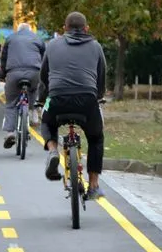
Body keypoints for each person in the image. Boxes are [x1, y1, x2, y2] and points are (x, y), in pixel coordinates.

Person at [37, 11, 107, 200]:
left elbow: (44, 76)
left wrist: (43, 98)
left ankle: (53, 150)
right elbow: (101, 76)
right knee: (96, 138)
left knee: (46, 121)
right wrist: (98, 96)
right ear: (87, 28)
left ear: (64, 28)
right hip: (87, 100)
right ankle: (93, 185)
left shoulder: (52, 45)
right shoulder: (96, 46)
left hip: (57, 97)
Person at [0, 23, 45, 149]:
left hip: (14, 73)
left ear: (18, 30)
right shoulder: (38, 39)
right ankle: (32, 111)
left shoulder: (10, 39)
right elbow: (45, 58)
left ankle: (10, 133)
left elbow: (3, 59)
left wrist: (2, 75)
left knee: (11, 103)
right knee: (34, 89)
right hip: (34, 72)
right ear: (30, 30)